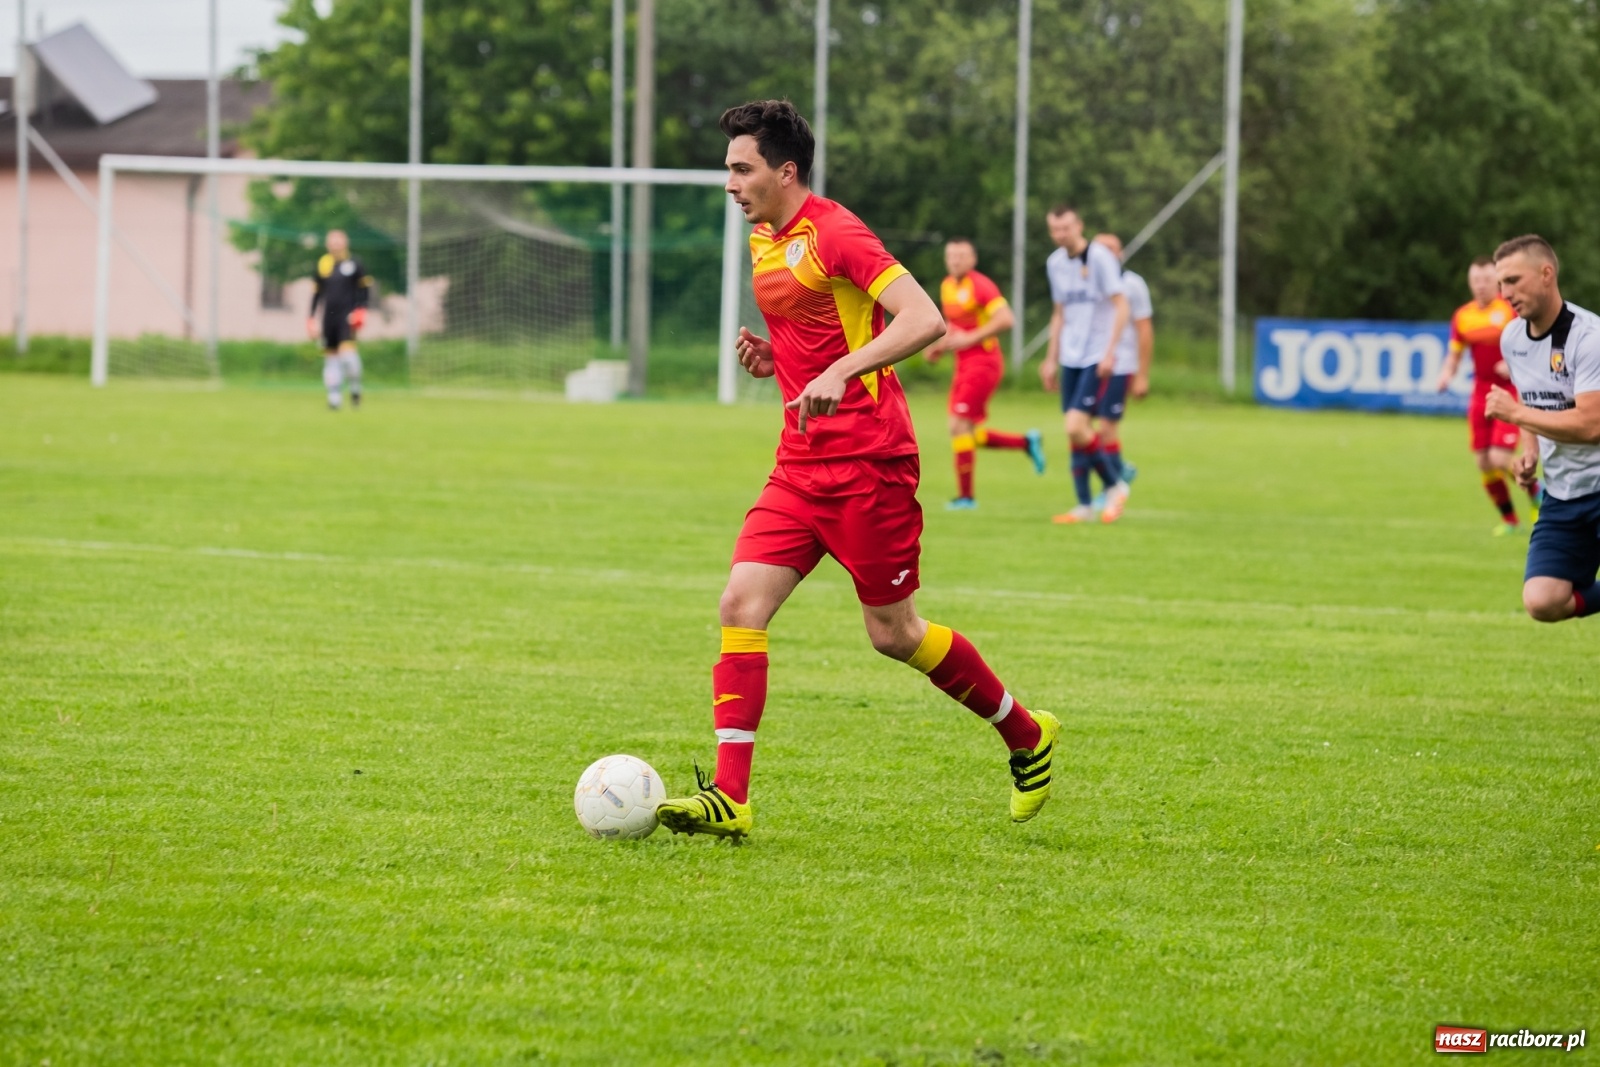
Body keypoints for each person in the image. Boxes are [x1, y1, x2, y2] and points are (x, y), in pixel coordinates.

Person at [654, 100, 1060, 841]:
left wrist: (842, 369)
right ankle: (731, 796)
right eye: (728, 170)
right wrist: (776, 359)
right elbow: (819, 331)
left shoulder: (836, 232)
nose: (730, 184)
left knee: (894, 633)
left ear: (785, 171)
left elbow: (922, 318)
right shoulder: (765, 240)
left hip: (869, 463)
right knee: (741, 603)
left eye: (741, 169)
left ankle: (1026, 732)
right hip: (799, 464)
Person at [1483, 234, 1600, 622]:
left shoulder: (1589, 337)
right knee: (1542, 601)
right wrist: (1529, 449)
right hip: (1564, 494)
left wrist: (1516, 415)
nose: (1504, 293)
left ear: (1546, 274)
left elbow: (1590, 425)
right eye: (1501, 283)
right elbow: (1532, 397)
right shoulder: (1513, 338)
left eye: (1513, 281)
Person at [925, 237, 1047, 509]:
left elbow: (1006, 319)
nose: (955, 260)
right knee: (963, 429)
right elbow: (954, 326)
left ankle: (966, 498)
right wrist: (938, 347)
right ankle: (1026, 442)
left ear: (972, 259)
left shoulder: (980, 285)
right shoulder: (947, 286)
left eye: (961, 256)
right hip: (963, 364)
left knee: (958, 426)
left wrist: (971, 339)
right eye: (951, 256)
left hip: (984, 363)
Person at [1039, 206, 1131, 524]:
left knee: (1076, 426)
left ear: (1079, 226)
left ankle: (1115, 486)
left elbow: (1121, 305)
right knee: (1075, 434)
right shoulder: (1055, 263)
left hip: (1096, 356)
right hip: (1070, 357)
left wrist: (1110, 352)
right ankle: (1084, 506)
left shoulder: (1101, 258)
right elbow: (1059, 314)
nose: (1061, 234)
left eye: (1066, 227)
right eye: (1055, 229)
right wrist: (1051, 359)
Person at [1436, 255, 1540, 534]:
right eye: (1475, 280)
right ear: (1470, 283)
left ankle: (1538, 495)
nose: (1480, 285)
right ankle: (1509, 519)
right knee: (1482, 461)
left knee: (1498, 457)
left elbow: (1533, 342)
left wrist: (1513, 363)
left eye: (1485, 280)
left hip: (1509, 390)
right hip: (1480, 392)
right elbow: (1454, 354)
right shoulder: (1463, 316)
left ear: (1496, 281)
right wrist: (1446, 373)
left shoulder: (1510, 310)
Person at [1088, 233, 1152, 505]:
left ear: (1121, 253)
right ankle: (1120, 469)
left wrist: (1142, 374)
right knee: (1086, 427)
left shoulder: (1132, 284)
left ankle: (1110, 487)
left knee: (1105, 426)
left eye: (1112, 248)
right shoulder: (1087, 281)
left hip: (1121, 363)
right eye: (1101, 249)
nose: (1107, 253)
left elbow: (1145, 328)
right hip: (1090, 361)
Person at [306, 230, 371, 411]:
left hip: (347, 317)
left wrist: (361, 311)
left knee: (348, 357)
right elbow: (316, 294)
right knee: (331, 358)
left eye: (338, 241)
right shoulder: (323, 264)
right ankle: (334, 397)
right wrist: (311, 318)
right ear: (327, 244)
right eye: (331, 241)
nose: (335, 244)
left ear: (345, 243)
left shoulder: (354, 263)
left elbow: (364, 290)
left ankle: (355, 387)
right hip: (329, 318)